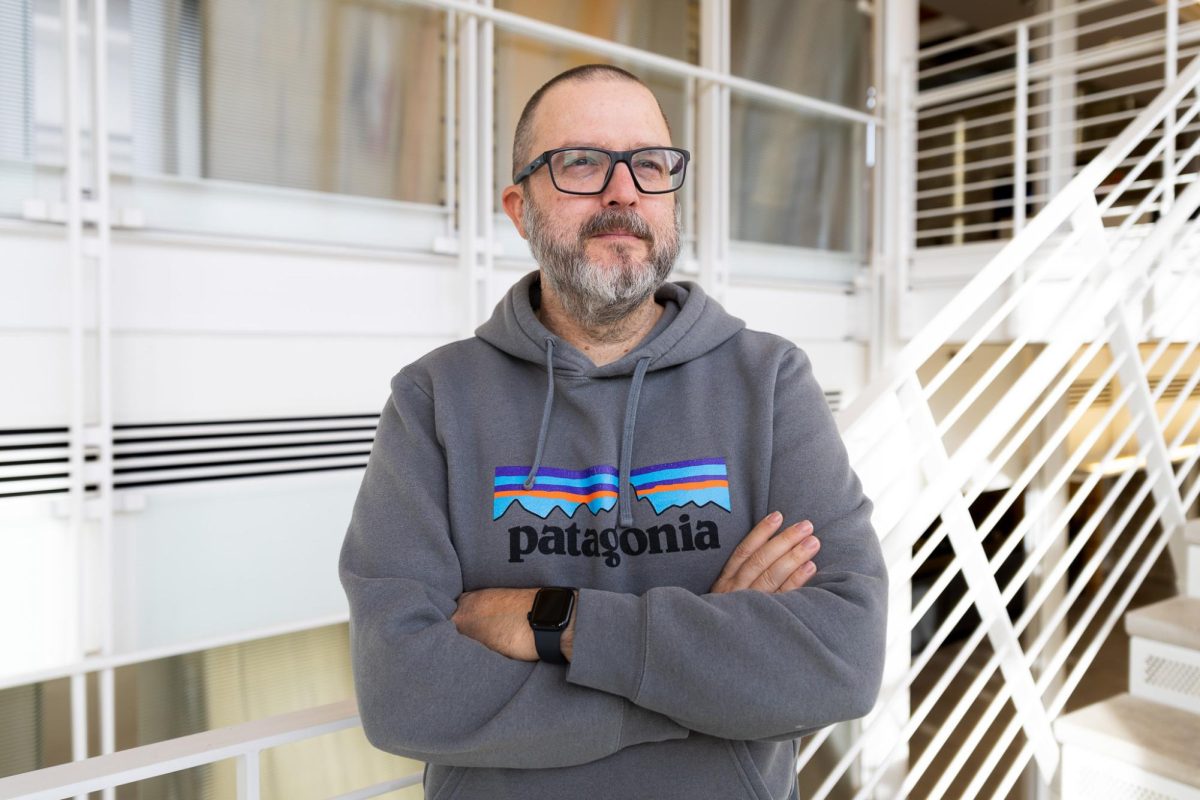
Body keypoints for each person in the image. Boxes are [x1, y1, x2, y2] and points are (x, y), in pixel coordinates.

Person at [339, 64, 887, 800]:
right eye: (582, 163)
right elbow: (404, 691)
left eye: (650, 164)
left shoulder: (771, 383)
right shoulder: (434, 400)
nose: (623, 190)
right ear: (518, 207)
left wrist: (553, 622)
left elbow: (839, 661)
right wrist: (703, 682)